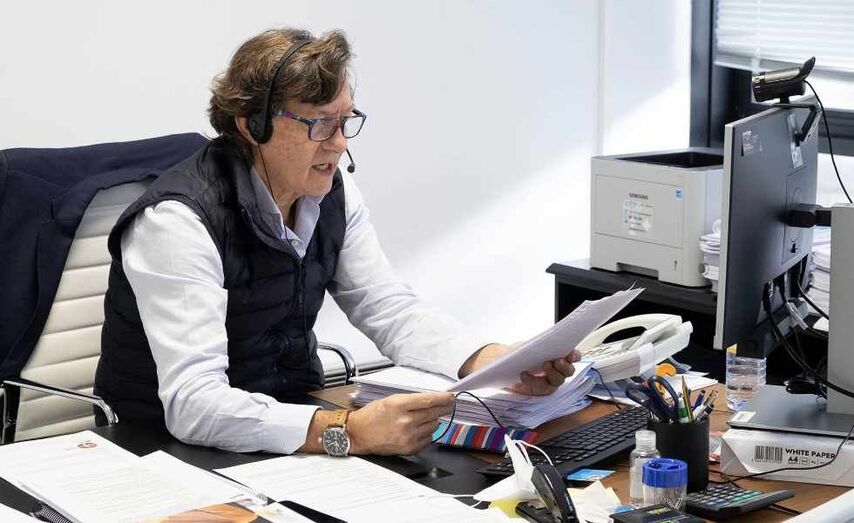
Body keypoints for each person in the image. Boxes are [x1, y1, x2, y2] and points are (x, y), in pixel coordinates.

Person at [94, 27, 580, 457]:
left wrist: (496, 361)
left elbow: (386, 307)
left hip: (294, 429)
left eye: (346, 121)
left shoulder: (330, 192)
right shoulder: (177, 222)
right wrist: (348, 431)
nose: (340, 143)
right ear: (252, 124)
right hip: (162, 451)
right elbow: (193, 405)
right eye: (320, 124)